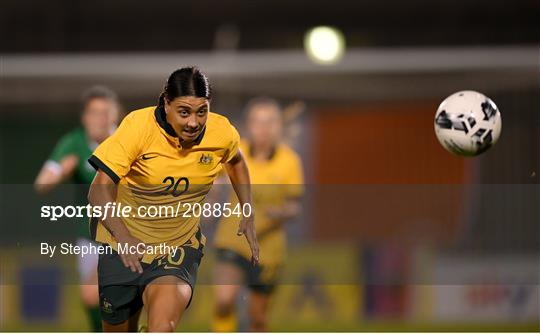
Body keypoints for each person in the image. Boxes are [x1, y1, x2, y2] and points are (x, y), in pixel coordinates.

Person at [86, 67, 259, 332]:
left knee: (162, 328)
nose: (193, 122)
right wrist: (124, 237)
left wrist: (247, 210)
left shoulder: (221, 132)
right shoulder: (137, 127)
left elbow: (235, 162)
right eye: (184, 112)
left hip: (177, 247)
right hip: (121, 244)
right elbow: (98, 190)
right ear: (166, 103)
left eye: (202, 111)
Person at [212, 97, 304, 332]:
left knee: (258, 318)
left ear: (279, 126)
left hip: (268, 248)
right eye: (258, 121)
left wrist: (282, 212)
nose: (264, 128)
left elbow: (295, 206)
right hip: (232, 239)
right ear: (248, 125)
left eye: (270, 121)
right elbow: (211, 183)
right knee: (224, 299)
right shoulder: (235, 151)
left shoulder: (289, 161)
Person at [34, 85, 121, 332]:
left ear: (116, 115)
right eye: (94, 112)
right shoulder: (73, 143)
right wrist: (61, 170)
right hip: (90, 235)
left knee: (96, 294)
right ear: (84, 117)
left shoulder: (125, 140)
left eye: (106, 112)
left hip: (126, 231)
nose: (100, 119)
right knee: (93, 300)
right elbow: (41, 184)